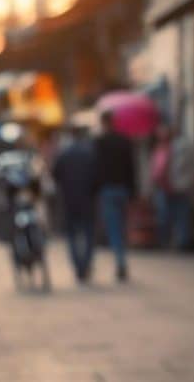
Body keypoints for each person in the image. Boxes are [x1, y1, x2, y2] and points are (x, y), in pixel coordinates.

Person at [94, 111, 136, 282]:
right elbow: (131, 168)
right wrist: (133, 190)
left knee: (114, 228)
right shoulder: (124, 141)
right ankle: (122, 257)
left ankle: (120, 260)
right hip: (123, 189)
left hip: (108, 189)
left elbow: (95, 168)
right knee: (122, 226)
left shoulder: (99, 143)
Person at [52, 128, 98, 283]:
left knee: (72, 236)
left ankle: (78, 267)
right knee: (89, 234)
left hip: (69, 200)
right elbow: (96, 177)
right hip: (87, 199)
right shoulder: (89, 154)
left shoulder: (64, 154)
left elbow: (55, 175)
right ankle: (85, 264)